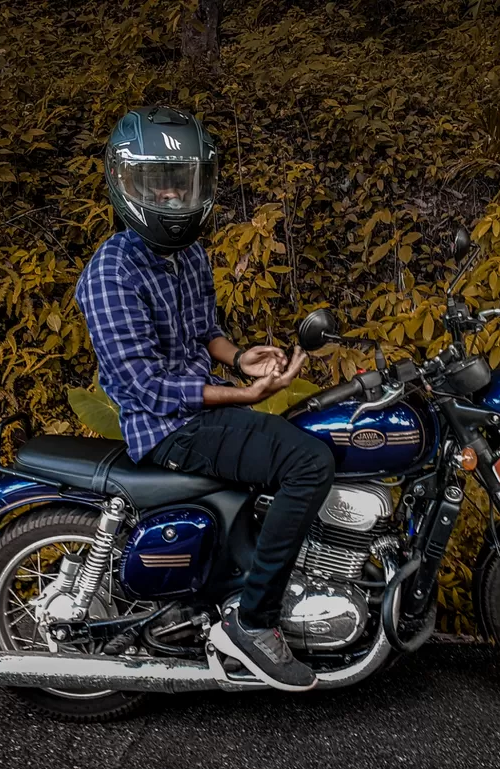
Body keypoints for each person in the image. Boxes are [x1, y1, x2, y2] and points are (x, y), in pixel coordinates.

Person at [74, 106, 333, 692]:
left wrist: (241, 357)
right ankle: (253, 622)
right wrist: (241, 393)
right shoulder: (112, 271)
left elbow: (204, 330)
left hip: (204, 411)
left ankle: (242, 585)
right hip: (167, 428)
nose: (171, 193)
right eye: (156, 180)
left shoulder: (187, 254)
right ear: (125, 182)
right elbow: (143, 384)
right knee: (307, 461)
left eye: (182, 179)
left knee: (318, 433)